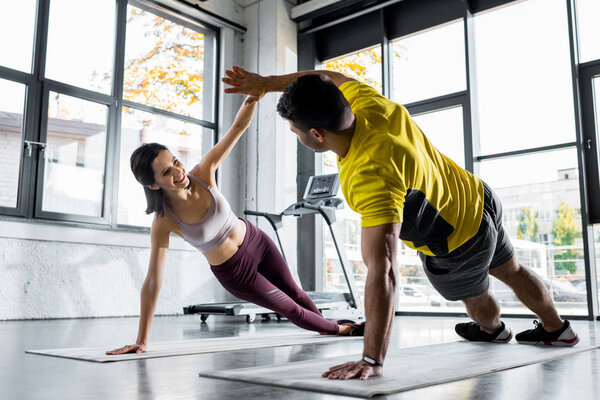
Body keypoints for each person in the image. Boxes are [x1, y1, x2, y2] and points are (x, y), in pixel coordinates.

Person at [221, 66, 580, 381]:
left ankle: (492, 329)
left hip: (457, 241)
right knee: (513, 269)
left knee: (476, 294)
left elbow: (384, 269)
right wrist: (267, 83)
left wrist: (371, 357)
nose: (297, 137)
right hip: (477, 197)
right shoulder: (368, 104)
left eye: (295, 132)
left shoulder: (368, 172)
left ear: (316, 134)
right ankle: (557, 328)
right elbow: (326, 77)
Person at [106, 97, 363, 357]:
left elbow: (237, 128)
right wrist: (142, 339)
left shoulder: (203, 172)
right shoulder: (164, 221)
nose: (177, 171)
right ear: (153, 185)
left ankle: (325, 327)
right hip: (237, 272)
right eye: (165, 172)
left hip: (256, 241)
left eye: (174, 161)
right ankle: (344, 329)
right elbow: (152, 281)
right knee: (290, 309)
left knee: (296, 292)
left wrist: (254, 95)